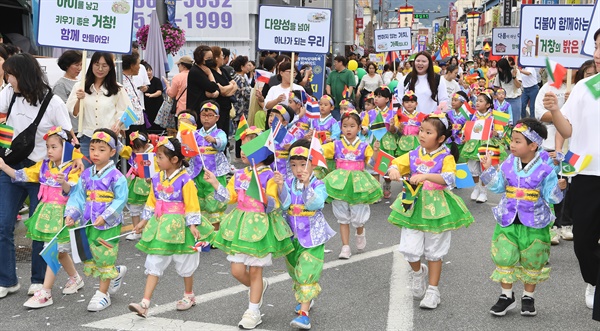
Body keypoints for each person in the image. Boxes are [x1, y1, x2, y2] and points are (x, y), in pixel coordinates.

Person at [0, 53, 78, 299]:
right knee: (2, 224)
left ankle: (37, 280)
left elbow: (68, 135)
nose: (8, 79)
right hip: (11, 166)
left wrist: (72, 161)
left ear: (22, 74)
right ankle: (7, 281)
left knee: (40, 228)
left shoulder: (52, 102)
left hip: (42, 173)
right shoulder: (8, 94)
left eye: (10, 74)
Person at [204, 127, 293, 330]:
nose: (243, 150)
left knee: (255, 271)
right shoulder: (240, 174)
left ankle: (253, 311)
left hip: (260, 225)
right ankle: (258, 289)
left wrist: (276, 189)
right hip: (240, 223)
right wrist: (216, 184)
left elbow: (276, 204)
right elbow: (229, 197)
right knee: (237, 270)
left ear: (263, 151)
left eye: (250, 146)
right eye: (242, 145)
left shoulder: (269, 175)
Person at [387, 112, 473, 309]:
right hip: (413, 203)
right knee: (409, 249)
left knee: (434, 251)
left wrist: (426, 177)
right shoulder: (414, 153)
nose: (422, 135)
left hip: (437, 206)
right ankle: (418, 273)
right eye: (421, 131)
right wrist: (393, 170)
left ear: (441, 138)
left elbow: (450, 179)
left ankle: (433, 291)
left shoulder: (446, 156)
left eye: (428, 132)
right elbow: (395, 163)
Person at [480, 118, 566, 316]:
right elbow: (498, 187)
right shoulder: (508, 164)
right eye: (512, 140)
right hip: (507, 218)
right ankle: (506, 296)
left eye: (518, 141)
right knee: (504, 255)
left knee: (532, 258)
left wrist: (559, 187)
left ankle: (528, 297)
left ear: (533, 145)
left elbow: (551, 197)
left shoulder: (546, 169)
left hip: (534, 222)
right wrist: (488, 170)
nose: (512, 144)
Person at [541, 28, 600, 317]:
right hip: (588, 174)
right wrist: (554, 110)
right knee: (584, 241)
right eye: (597, 47)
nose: (598, 55)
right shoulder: (585, 87)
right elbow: (568, 131)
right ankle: (594, 280)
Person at [128, 137, 215, 317]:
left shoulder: (186, 180)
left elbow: (192, 204)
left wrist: (192, 225)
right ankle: (145, 303)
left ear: (174, 160)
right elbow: (152, 201)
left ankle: (188, 295)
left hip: (180, 226)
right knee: (155, 260)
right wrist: (143, 222)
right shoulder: (156, 178)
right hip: (160, 226)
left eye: (160, 157)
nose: (157, 160)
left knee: (185, 262)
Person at [0, 127, 82, 308]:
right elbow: (22, 175)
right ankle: (75, 278)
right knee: (59, 251)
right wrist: (4, 166)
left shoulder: (74, 168)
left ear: (66, 148)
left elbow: (73, 191)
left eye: (54, 147)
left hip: (64, 215)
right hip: (46, 214)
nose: (49, 151)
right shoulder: (43, 165)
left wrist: (64, 183)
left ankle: (46, 292)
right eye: (47, 147)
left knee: (52, 250)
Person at [64, 129, 128, 311]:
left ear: (112, 152)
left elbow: (120, 199)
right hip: (88, 222)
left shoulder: (117, 177)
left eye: (101, 149)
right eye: (92, 149)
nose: (95, 153)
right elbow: (77, 196)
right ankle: (114, 274)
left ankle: (102, 294)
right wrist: (72, 214)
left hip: (108, 224)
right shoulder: (85, 175)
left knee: (104, 255)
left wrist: (106, 216)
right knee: (91, 255)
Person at [277, 139, 336, 329]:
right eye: (294, 165)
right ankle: (306, 299)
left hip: (312, 237)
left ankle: (304, 314)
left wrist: (307, 183)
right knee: (294, 271)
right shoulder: (288, 182)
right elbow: (285, 204)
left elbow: (315, 204)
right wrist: (279, 187)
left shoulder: (319, 184)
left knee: (306, 274)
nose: (298, 169)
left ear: (312, 164)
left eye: (303, 164)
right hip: (291, 235)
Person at [322, 111, 383, 259]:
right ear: (340, 127)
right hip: (339, 183)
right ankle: (345, 247)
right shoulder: (335, 144)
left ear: (359, 127)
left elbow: (374, 164)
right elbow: (319, 153)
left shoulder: (363, 146)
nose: (348, 129)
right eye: (345, 126)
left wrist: (375, 151)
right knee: (342, 216)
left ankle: (360, 231)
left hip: (358, 183)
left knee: (358, 217)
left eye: (352, 126)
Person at [66, 52, 131, 166]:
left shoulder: (118, 88)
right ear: (91, 65)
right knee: (86, 176)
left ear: (110, 67)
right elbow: (74, 113)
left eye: (104, 65)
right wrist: (79, 99)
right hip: (87, 139)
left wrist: (118, 124)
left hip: (108, 141)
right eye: (96, 64)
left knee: (106, 178)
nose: (100, 69)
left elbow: (129, 113)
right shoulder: (80, 86)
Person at [533, 73, 571, 245]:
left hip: (575, 145)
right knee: (553, 185)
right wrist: (562, 113)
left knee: (571, 186)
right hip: (551, 145)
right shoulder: (547, 88)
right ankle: (553, 226)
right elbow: (540, 115)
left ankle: (567, 224)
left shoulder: (578, 86)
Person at [188, 101, 230, 229]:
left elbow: (223, 142)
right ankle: (203, 231)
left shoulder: (219, 133)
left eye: (210, 115)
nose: (206, 118)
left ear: (217, 117)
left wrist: (214, 140)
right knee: (200, 199)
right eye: (204, 115)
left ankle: (215, 233)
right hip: (197, 171)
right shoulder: (195, 133)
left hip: (214, 173)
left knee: (214, 201)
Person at [460, 92, 507, 203]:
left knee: (484, 169)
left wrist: (496, 133)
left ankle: (483, 192)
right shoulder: (473, 115)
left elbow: (500, 131)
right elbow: (467, 127)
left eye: (481, 101)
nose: (478, 103)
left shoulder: (492, 116)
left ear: (488, 105)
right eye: (477, 100)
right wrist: (464, 135)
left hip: (487, 144)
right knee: (472, 169)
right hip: (473, 144)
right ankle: (477, 187)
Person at [120, 131, 155, 241]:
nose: (135, 151)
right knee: (134, 208)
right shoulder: (133, 153)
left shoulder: (154, 154)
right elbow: (121, 149)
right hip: (134, 182)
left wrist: (153, 177)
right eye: (133, 148)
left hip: (149, 185)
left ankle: (150, 231)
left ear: (145, 145)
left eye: (137, 148)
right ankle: (136, 231)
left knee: (149, 208)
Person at [209, 46, 238, 138]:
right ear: (216, 58)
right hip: (217, 109)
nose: (223, 58)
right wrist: (229, 88)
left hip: (227, 108)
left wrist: (228, 89)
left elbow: (234, 85)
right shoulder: (211, 73)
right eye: (222, 55)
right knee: (217, 135)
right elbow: (222, 91)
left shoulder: (223, 70)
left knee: (225, 135)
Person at [53, 50, 82, 134]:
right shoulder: (61, 85)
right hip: (71, 130)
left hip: (83, 129)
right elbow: (61, 110)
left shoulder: (82, 82)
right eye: (76, 65)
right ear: (67, 65)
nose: (79, 68)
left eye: (81, 65)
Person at [186, 45, 219, 116]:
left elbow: (216, 87)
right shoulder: (196, 71)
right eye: (208, 58)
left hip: (205, 108)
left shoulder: (206, 69)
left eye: (211, 58)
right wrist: (210, 74)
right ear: (200, 58)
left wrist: (216, 92)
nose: (211, 60)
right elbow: (212, 87)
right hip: (197, 109)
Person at [232, 55, 253, 159]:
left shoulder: (234, 76)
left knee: (237, 131)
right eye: (246, 65)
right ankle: (239, 154)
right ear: (241, 67)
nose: (248, 67)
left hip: (235, 108)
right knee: (241, 132)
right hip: (241, 109)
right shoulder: (241, 79)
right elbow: (248, 94)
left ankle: (238, 154)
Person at [326, 55, 356, 120]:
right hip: (335, 102)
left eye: (335, 62)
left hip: (345, 103)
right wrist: (329, 96)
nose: (334, 64)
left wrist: (347, 98)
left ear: (341, 63)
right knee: (335, 119)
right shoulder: (332, 73)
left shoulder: (349, 73)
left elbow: (351, 86)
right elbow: (328, 84)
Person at [397, 91, 426, 157]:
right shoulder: (399, 116)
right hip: (403, 142)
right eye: (407, 102)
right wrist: (399, 129)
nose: (409, 104)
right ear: (403, 104)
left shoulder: (421, 116)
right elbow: (397, 131)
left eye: (412, 102)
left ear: (416, 104)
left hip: (417, 142)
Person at [122, 53, 146, 132]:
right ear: (132, 65)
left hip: (138, 121)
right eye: (138, 64)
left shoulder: (131, 78)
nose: (139, 67)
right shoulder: (120, 80)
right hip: (130, 124)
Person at [493, 58, 522, 123]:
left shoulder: (515, 72)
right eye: (498, 68)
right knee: (503, 122)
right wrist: (500, 91)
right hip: (503, 101)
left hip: (515, 100)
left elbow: (518, 86)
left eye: (501, 68)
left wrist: (514, 77)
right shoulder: (499, 76)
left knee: (514, 121)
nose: (500, 70)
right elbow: (495, 88)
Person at [141, 61, 164, 132]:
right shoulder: (142, 81)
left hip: (156, 105)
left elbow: (159, 91)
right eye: (146, 70)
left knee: (157, 124)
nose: (149, 72)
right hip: (146, 107)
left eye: (150, 70)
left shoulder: (156, 80)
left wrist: (151, 95)